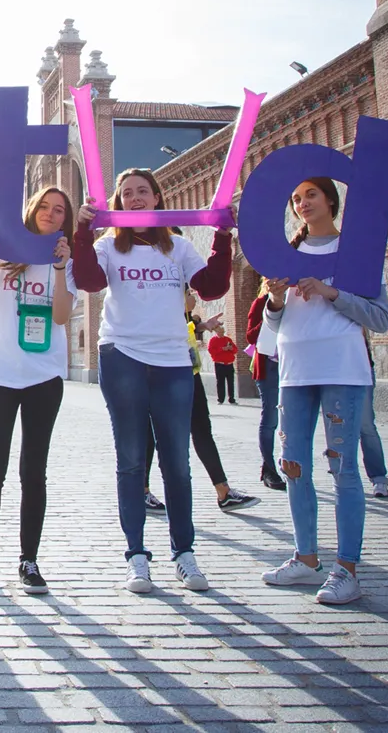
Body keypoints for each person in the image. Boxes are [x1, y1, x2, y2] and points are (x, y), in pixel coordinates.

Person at [72, 168, 232, 594]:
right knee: (131, 459)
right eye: (127, 194)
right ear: (119, 203)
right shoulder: (108, 246)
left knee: (176, 462)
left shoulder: (177, 247)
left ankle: (184, 553)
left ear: (159, 198)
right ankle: (137, 556)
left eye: (144, 191)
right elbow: (88, 281)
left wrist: (222, 236)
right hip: (122, 356)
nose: (136, 198)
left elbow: (213, 286)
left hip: (172, 361)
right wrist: (83, 231)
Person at [260, 177, 388, 605]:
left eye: (310, 195)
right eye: (296, 198)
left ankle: (347, 569)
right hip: (295, 370)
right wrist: (275, 301)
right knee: (293, 465)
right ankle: (306, 557)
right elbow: (275, 323)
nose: (302, 203)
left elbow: (380, 317)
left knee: (343, 469)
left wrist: (331, 291)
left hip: (342, 370)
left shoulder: (356, 250)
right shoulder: (288, 252)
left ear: (330, 200)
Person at [0, 187, 74, 596]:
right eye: (44, 206)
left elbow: (61, 316)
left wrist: (60, 269)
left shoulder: (65, 263)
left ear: (65, 220)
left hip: (44, 377)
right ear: (31, 211)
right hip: (0, 375)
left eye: (59, 209)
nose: (50, 213)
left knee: (33, 472)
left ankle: (29, 560)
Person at [143, 290, 260, 514]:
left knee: (202, 430)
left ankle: (224, 492)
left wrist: (203, 325)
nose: (194, 298)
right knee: (152, 432)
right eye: (188, 293)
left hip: (190, 374)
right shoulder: (159, 305)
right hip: (163, 373)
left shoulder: (180, 314)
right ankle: (143, 491)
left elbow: (184, 327)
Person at [246, 282, 287, 490]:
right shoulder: (260, 303)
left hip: (293, 367)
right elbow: (250, 336)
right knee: (270, 419)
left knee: (290, 420)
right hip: (270, 368)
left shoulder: (296, 303)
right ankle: (269, 469)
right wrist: (271, 315)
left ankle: (289, 464)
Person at [359, 335, 388, 498]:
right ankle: (342, 477)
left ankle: (379, 478)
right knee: (335, 426)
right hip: (331, 371)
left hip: (360, 367)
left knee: (366, 426)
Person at [207, 324, 237, 404]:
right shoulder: (213, 340)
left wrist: (231, 348)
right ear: (216, 332)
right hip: (219, 364)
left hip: (229, 364)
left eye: (223, 332)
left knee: (231, 382)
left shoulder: (228, 339)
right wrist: (222, 349)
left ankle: (232, 399)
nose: (222, 333)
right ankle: (220, 399)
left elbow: (235, 350)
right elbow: (211, 351)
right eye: (220, 332)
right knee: (220, 382)